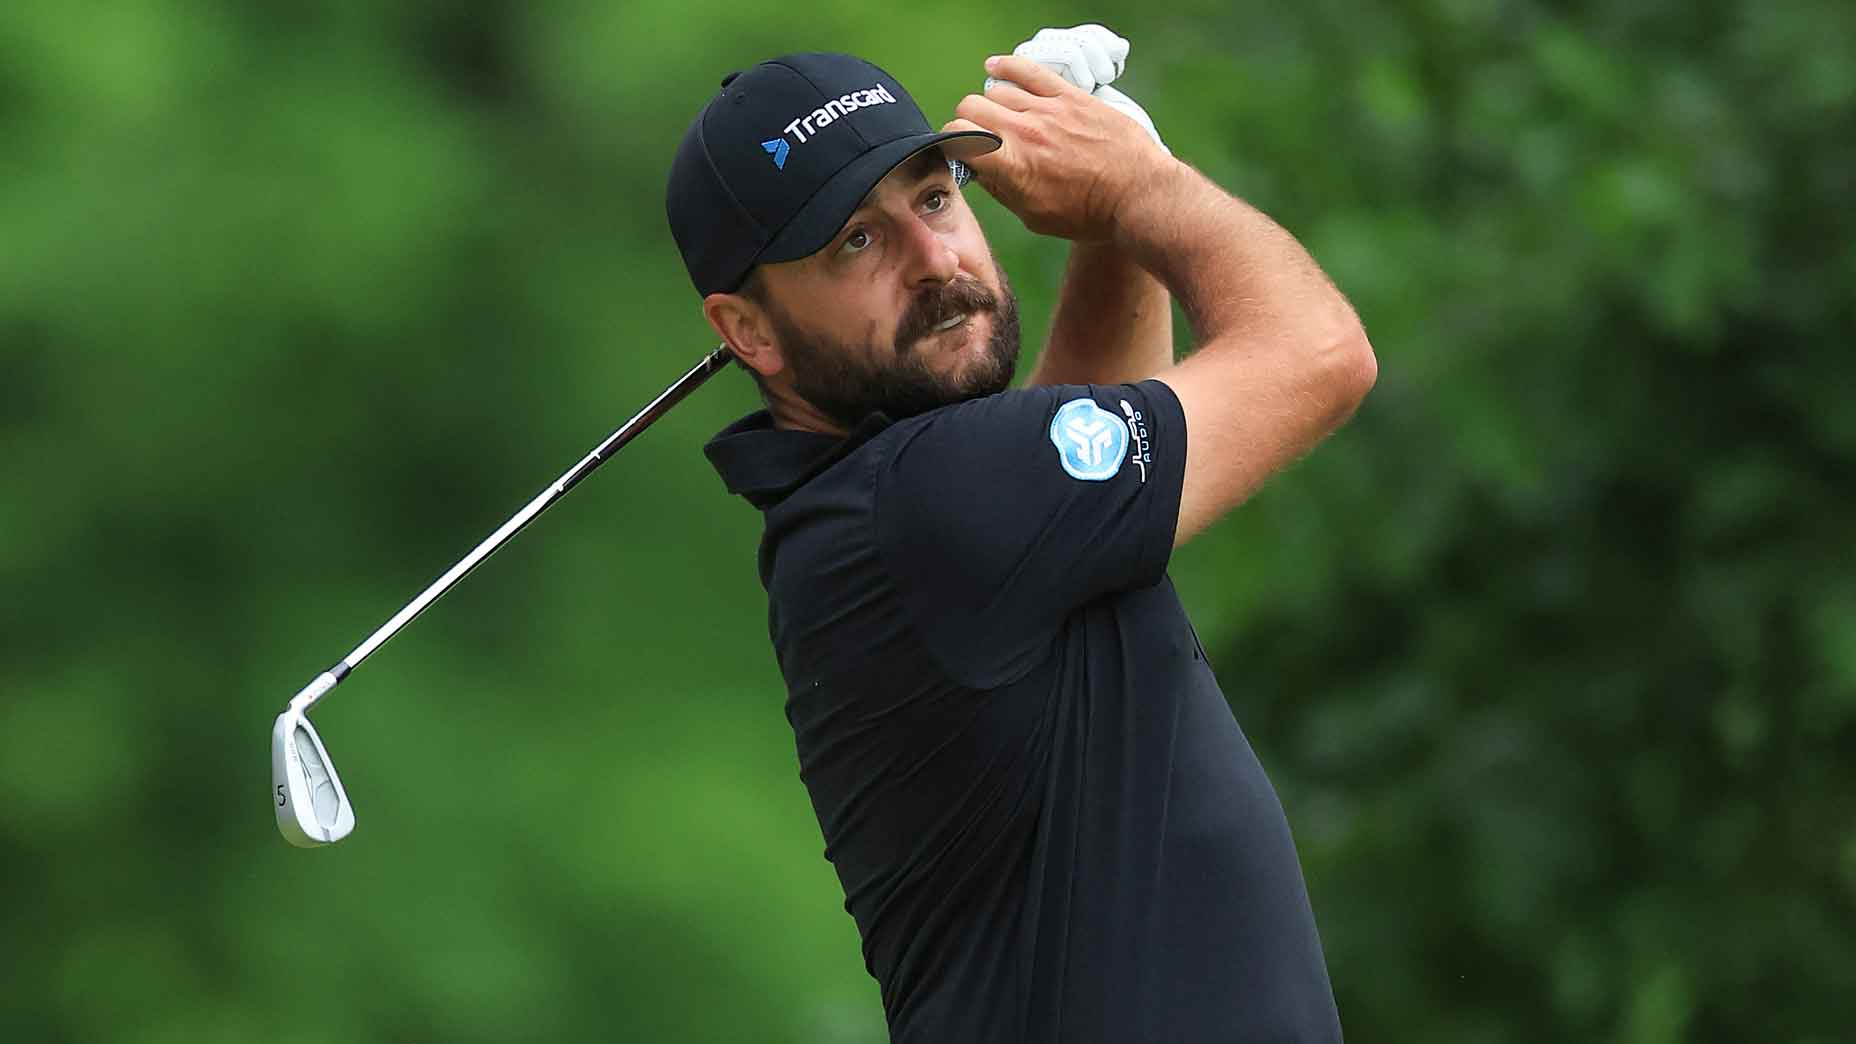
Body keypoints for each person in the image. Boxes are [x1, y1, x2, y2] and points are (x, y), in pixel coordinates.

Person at [665, 32, 1374, 1043]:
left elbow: (1077, 469)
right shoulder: (927, 501)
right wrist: (1139, 188)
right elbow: (1320, 352)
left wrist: (1110, 217)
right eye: (854, 244)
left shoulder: (881, 517)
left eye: (934, 196)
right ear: (749, 332)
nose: (933, 261)